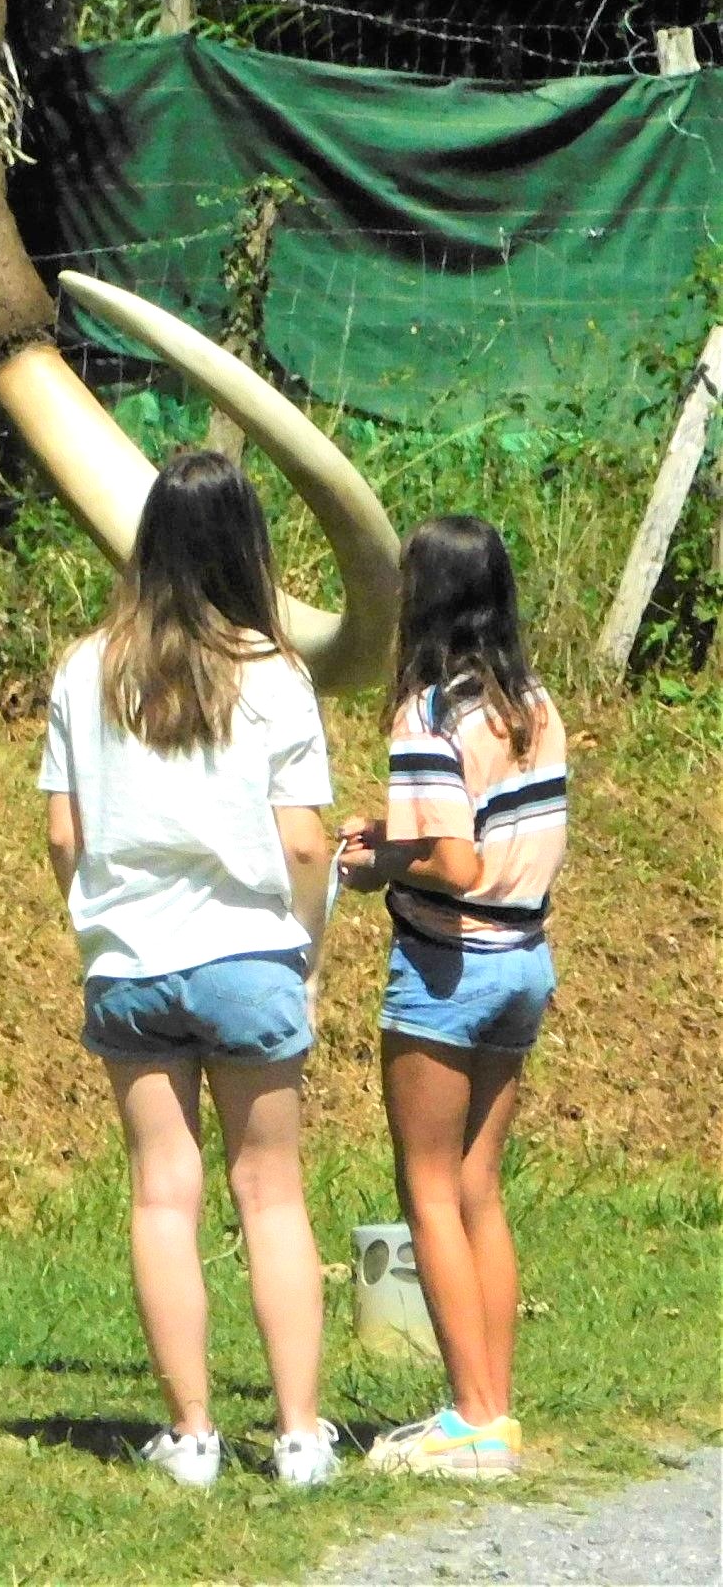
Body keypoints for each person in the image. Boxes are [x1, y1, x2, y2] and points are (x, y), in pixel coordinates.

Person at [40, 448, 338, 1489]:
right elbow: (305, 846)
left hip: (128, 963)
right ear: (246, 544)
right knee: (272, 1195)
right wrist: (306, 945)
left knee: (162, 1195)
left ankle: (192, 1435)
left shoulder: (85, 670)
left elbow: (65, 839)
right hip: (249, 956)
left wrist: (94, 931)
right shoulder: (276, 674)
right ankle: (299, 1435)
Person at [339, 515, 567, 1480]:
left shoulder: (429, 712)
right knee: (480, 1189)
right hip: (526, 963)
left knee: (427, 1187)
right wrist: (399, 832)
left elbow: (454, 860)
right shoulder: (534, 705)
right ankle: (495, 1410)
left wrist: (374, 859)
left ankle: (468, 1421)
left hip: (448, 968)